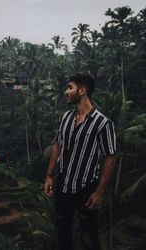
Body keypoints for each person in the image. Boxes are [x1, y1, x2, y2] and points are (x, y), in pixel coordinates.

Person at [44, 73, 116, 250]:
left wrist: (99, 192)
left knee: (88, 236)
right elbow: (57, 145)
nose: (66, 92)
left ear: (82, 91)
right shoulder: (66, 118)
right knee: (62, 231)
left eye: (70, 87)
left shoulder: (102, 123)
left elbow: (110, 157)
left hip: (86, 189)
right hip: (63, 185)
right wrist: (49, 176)